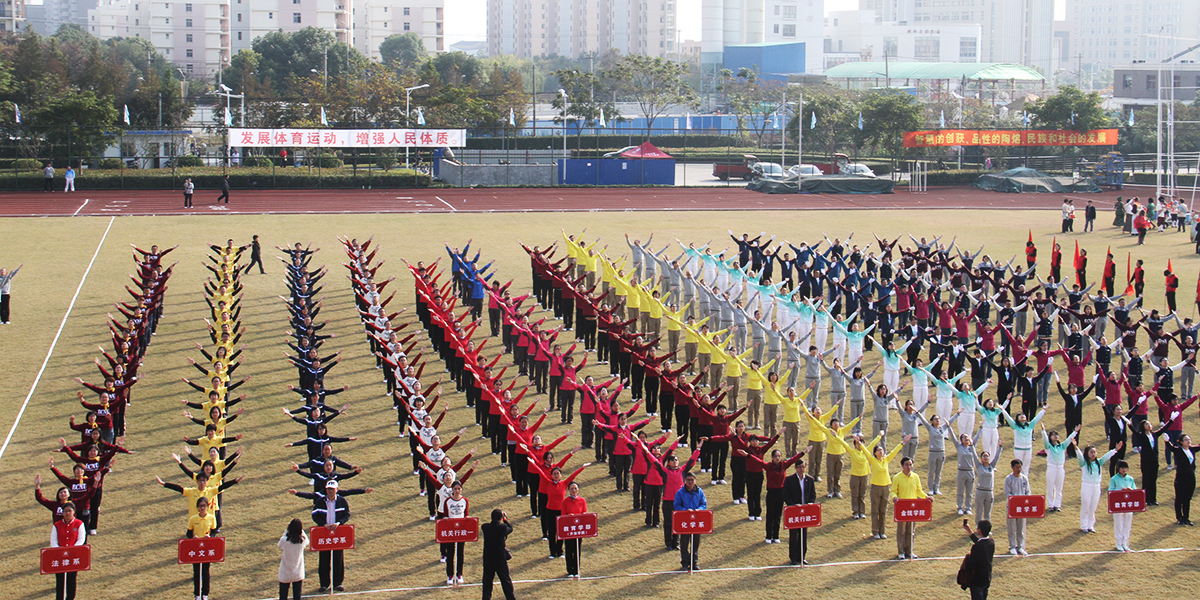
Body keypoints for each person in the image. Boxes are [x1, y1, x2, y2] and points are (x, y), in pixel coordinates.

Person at [287, 480, 373, 593]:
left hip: (338, 533)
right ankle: (324, 584)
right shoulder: (320, 501)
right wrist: (323, 524)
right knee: (324, 559)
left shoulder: (342, 501)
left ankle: (338, 583)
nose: (330, 491)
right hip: (324, 533)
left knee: (338, 558)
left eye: (332, 489)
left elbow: (347, 514)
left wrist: (339, 523)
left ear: (337, 490)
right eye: (328, 489)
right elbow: (315, 515)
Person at [1072, 440, 1120, 532]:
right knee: (1086, 506)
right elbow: (1079, 456)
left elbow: (1106, 457)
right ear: (1087, 453)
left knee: (1093, 507)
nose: (1093, 454)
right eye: (1091, 452)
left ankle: (1091, 525)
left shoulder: (1099, 462)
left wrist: (1115, 450)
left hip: (1097, 486)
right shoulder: (1084, 463)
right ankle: (1084, 525)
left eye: (1095, 452)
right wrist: (1076, 447)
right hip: (1087, 486)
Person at [891, 456, 929, 560]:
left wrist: (926, 497)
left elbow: (919, 491)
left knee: (910, 530)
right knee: (901, 531)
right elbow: (894, 490)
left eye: (910, 465)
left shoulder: (915, 477)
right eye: (907, 465)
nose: (909, 467)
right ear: (902, 466)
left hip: (912, 508)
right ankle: (901, 551)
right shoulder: (897, 477)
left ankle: (910, 551)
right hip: (902, 508)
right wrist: (895, 497)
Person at [782, 458, 817, 565]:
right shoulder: (789, 480)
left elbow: (813, 494)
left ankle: (802, 556)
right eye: (800, 467)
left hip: (805, 511)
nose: (802, 469)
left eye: (803, 467)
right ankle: (793, 557)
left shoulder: (809, 480)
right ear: (796, 468)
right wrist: (792, 505)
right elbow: (785, 495)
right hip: (794, 511)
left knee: (803, 534)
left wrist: (810, 503)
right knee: (793, 535)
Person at [51, 502, 85, 600]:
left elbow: (81, 539)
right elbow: (53, 540)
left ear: (73, 512)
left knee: (71, 579)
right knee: (60, 580)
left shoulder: (79, 524)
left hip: (73, 556)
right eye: (65, 511)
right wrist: (59, 551)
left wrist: (72, 551)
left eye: (69, 511)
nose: (67, 513)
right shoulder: (57, 525)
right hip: (59, 557)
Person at [673, 470, 707, 570]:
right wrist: (685, 510)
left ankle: (694, 563)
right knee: (684, 543)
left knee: (695, 543)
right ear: (685, 481)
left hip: (696, 520)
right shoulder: (680, 492)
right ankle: (684, 563)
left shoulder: (699, 491)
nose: (690, 482)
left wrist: (699, 510)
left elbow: (703, 504)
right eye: (688, 480)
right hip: (685, 520)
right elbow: (676, 505)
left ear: (695, 481)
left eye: (692, 480)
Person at [480, 508, 516, 600]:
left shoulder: (485, 527)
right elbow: (510, 528)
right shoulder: (502, 528)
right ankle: (510, 598)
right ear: (500, 518)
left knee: (487, 581)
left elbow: (485, 526)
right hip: (500, 558)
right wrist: (505, 520)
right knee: (505, 580)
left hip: (488, 558)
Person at [186, 496, 217, 600]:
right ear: (197, 507)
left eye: (204, 506)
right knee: (196, 571)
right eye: (200, 506)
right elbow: (188, 533)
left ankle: (205, 594)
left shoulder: (211, 518)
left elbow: (214, 532)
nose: (202, 508)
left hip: (207, 548)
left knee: (206, 571)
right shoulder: (193, 519)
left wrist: (209, 537)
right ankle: (197, 594)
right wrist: (193, 537)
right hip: (196, 548)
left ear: (207, 506)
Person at [960, 519, 995, 600]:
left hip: (977, 580)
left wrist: (966, 560)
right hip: (986, 577)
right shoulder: (991, 542)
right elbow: (980, 542)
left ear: (979, 530)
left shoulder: (977, 546)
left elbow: (970, 563)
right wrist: (969, 531)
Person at [1003, 459, 1031, 555]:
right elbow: (1007, 493)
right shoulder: (1008, 479)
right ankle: (1012, 546)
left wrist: (1024, 500)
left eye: (1020, 467)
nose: (1019, 469)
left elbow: (1028, 492)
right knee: (1012, 527)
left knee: (1021, 528)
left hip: (1022, 508)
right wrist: (1016, 500)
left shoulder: (1024, 479)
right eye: (1017, 467)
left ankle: (1020, 546)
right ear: (1012, 467)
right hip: (1012, 507)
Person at [561, 481, 587, 578]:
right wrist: (569, 516)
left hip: (578, 529)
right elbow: (563, 515)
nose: (573, 490)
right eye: (571, 489)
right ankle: (570, 570)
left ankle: (576, 570)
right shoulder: (565, 501)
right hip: (569, 529)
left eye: (575, 489)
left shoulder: (582, 500)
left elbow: (584, 512)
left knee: (577, 549)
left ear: (578, 490)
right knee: (569, 549)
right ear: (569, 490)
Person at [277, 518, 309, 600]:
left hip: (285, 572)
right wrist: (301, 531)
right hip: (298, 573)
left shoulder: (285, 541)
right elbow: (307, 540)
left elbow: (279, 544)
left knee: (283, 596)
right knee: (297, 596)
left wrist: (287, 530)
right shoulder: (302, 542)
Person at [1109, 460, 1136, 552]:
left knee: (1127, 523)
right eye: (1122, 468)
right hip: (1118, 504)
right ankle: (1118, 543)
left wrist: (1130, 490)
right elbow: (1111, 491)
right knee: (1118, 523)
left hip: (1128, 505)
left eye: (1125, 468)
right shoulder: (1114, 479)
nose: (1124, 470)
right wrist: (1120, 490)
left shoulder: (1130, 479)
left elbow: (1135, 491)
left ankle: (1125, 543)